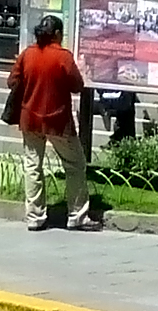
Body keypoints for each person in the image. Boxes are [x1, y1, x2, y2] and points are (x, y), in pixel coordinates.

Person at [7, 13, 100, 231]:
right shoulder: (63, 56)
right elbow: (77, 85)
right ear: (57, 34)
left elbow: (12, 81)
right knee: (75, 164)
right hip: (58, 121)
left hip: (29, 119)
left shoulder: (27, 54)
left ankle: (34, 217)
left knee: (32, 166)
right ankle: (77, 215)